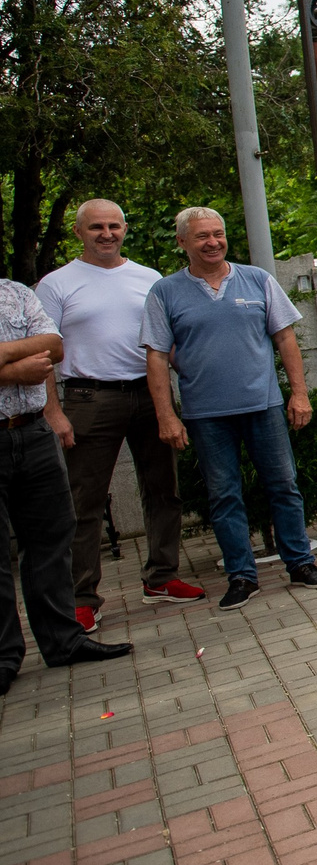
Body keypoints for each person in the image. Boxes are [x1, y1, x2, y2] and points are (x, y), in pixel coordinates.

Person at [143, 208, 317, 611]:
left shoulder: (257, 279)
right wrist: (167, 415)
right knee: (224, 495)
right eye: (201, 237)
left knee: (283, 485)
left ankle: (300, 564)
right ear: (182, 242)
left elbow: (286, 340)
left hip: (262, 404)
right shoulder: (165, 292)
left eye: (218, 234)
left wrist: (298, 394)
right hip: (205, 414)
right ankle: (242, 576)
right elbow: (157, 357)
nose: (213, 242)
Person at [39, 200, 200, 628]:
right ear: (79, 232)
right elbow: (42, 355)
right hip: (90, 398)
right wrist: (53, 412)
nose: (106, 234)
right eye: (96, 227)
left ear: (125, 229)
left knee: (164, 489)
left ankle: (162, 578)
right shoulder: (56, 285)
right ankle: (82, 598)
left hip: (151, 395)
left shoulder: (149, 278)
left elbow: (170, 343)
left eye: (114, 226)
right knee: (83, 501)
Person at [2, 277, 134, 692]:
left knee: (52, 539)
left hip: (32, 431)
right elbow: (37, 349)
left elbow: (55, 346)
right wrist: (15, 368)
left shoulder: (16, 292)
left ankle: (63, 642)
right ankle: (4, 657)